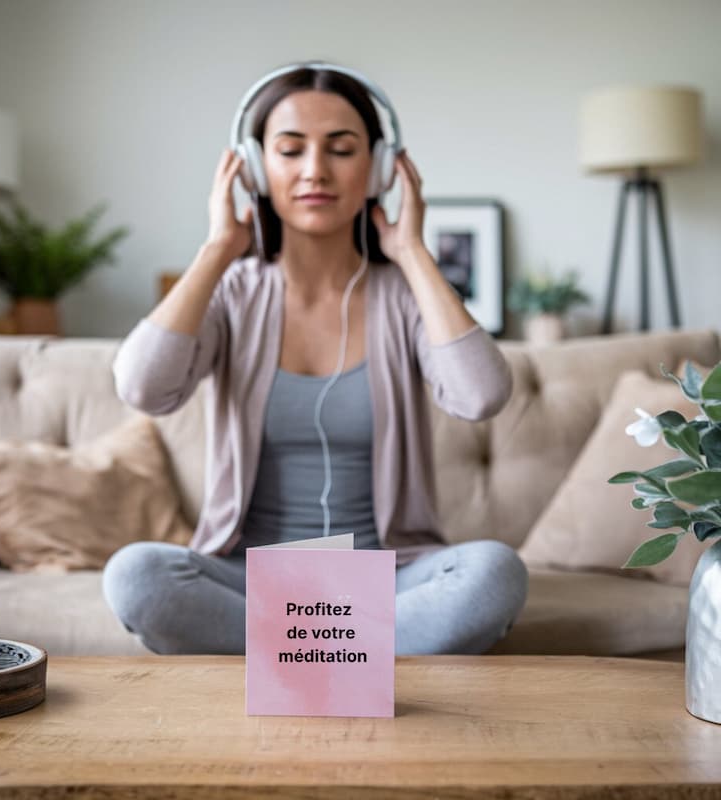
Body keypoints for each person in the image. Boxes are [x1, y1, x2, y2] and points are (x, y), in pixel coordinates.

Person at [103, 62, 528, 656]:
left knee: (493, 573)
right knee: (136, 575)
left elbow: (481, 395)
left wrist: (410, 252)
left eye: (342, 149)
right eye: (290, 149)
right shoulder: (233, 291)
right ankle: (353, 657)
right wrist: (219, 248)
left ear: (379, 168)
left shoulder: (404, 297)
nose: (315, 171)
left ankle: (293, 658)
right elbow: (143, 389)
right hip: (249, 578)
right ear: (255, 167)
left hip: (386, 579)